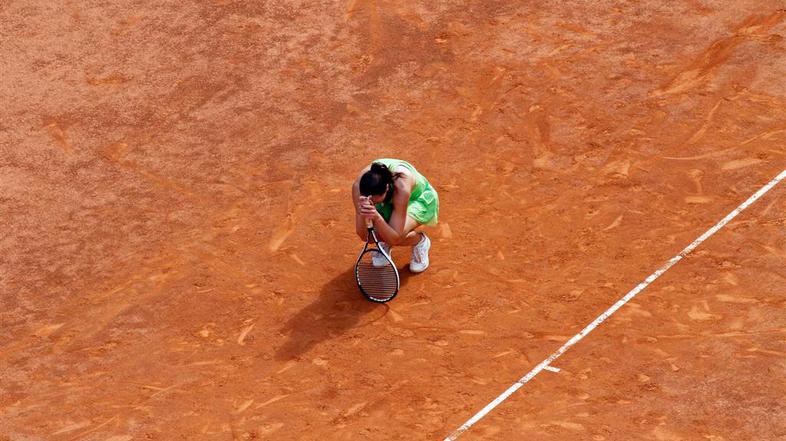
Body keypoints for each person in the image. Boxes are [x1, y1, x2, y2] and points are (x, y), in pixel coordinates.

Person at [352, 158, 439, 273]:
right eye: (370, 201)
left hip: (417, 200)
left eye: (375, 202)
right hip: (390, 201)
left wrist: (377, 217)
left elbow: (395, 236)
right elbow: (363, 235)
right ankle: (384, 242)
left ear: (387, 188)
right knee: (379, 233)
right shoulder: (358, 187)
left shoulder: (402, 186)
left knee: (393, 237)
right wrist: (363, 214)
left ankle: (419, 241)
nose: (372, 203)